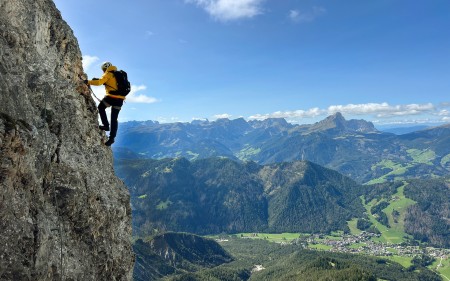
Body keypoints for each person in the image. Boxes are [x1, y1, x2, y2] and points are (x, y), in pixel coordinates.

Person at [85, 62, 125, 146]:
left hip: (111, 97)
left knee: (101, 108)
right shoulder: (119, 75)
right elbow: (110, 83)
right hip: (120, 99)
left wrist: (88, 81)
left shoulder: (108, 74)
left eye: (103, 69)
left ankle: (106, 125)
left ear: (105, 68)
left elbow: (99, 82)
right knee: (114, 119)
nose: (103, 71)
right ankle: (111, 139)